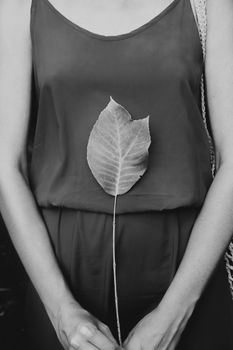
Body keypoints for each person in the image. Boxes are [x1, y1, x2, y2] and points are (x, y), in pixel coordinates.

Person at [0, 0, 233, 349]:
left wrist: (176, 311)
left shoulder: (210, 5)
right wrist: (61, 309)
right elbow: (5, 165)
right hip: (58, 271)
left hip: (189, 263)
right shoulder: (18, 5)